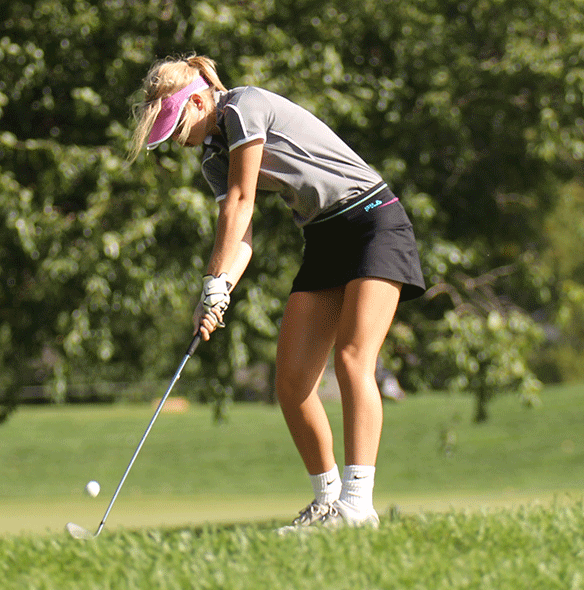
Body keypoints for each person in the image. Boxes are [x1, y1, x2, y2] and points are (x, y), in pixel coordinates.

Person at [128, 55, 425, 530]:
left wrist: (212, 280)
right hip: (325, 238)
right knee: (291, 380)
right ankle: (328, 503)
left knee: (352, 359)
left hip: (373, 221)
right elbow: (240, 242)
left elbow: (243, 203)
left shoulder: (245, 106)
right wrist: (219, 290)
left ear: (199, 100)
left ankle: (358, 505)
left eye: (176, 124)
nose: (178, 140)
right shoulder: (213, 158)